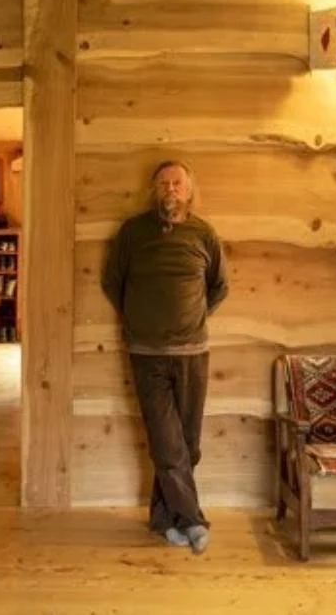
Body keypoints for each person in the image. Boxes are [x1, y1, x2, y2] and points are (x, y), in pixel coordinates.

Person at [101, 160, 228, 555]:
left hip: (193, 353)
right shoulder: (133, 232)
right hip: (147, 353)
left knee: (188, 446)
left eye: (177, 183)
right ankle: (193, 521)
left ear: (189, 190)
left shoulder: (204, 234)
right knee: (167, 442)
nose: (170, 189)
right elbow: (112, 282)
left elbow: (219, 287)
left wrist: (190, 318)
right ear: (154, 190)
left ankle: (163, 520)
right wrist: (141, 319)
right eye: (163, 183)